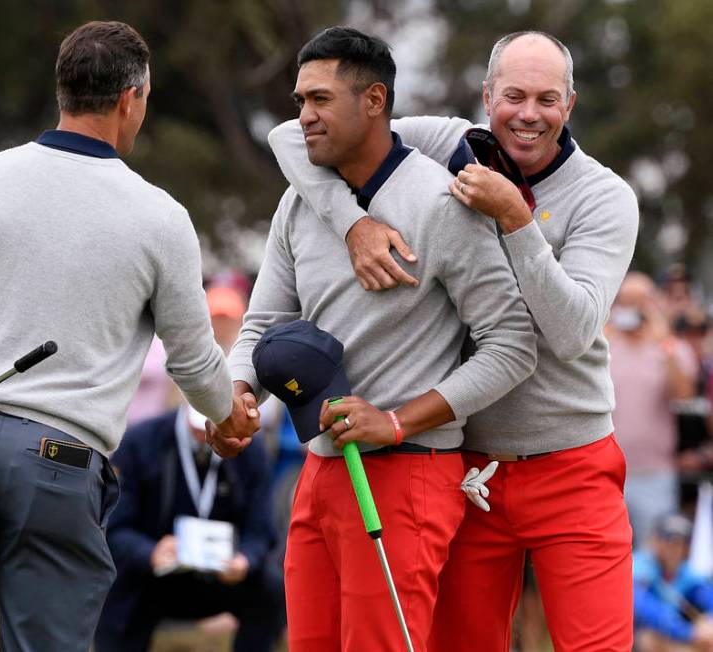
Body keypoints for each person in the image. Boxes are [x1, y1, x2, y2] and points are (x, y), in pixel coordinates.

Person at [0, 20, 258, 652]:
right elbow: (194, 361)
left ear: (64, 91)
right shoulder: (162, 217)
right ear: (129, 99)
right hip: (59, 462)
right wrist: (228, 418)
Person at [268, 29, 639, 651]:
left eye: (547, 100)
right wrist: (354, 222)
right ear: (486, 95)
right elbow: (291, 137)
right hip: (469, 467)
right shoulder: (447, 140)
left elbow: (572, 333)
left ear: (569, 106)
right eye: (513, 95)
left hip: (569, 458)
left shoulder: (605, 197)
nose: (528, 114)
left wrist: (517, 221)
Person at [212, 27, 537, 651]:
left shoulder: (444, 204)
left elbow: (512, 345)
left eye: (320, 100)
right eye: (299, 100)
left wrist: (395, 421)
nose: (304, 117)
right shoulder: (299, 201)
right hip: (319, 471)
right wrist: (237, 391)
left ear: (375, 100)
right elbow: (261, 326)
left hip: (407, 474)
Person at [95, 403, 282, 651]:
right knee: (118, 586)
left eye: (215, 429)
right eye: (198, 429)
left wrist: (245, 560)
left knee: (271, 588)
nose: (205, 436)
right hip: (153, 574)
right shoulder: (141, 441)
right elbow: (114, 528)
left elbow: (262, 530)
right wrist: (149, 552)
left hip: (222, 573)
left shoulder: (249, 448)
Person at [608, 272, 697, 544]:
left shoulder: (670, 347)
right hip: (606, 474)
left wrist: (662, 341)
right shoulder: (604, 344)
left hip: (654, 475)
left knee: (653, 562)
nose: (633, 308)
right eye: (626, 301)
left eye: (640, 301)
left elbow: (684, 395)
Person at [634, 513, 713, 651]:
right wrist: (690, 633)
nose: (676, 549)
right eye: (670, 541)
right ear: (656, 541)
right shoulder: (640, 565)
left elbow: (707, 596)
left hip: (678, 636)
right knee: (649, 639)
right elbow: (647, 610)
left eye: (682, 543)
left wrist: (709, 623)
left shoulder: (685, 571)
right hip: (638, 636)